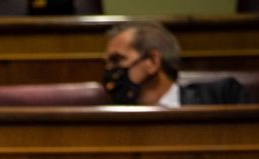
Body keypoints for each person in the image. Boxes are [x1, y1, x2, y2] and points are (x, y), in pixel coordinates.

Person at [102, 21, 249, 106]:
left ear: (153, 61)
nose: (109, 69)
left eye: (117, 60)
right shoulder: (108, 118)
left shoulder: (222, 97)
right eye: (107, 63)